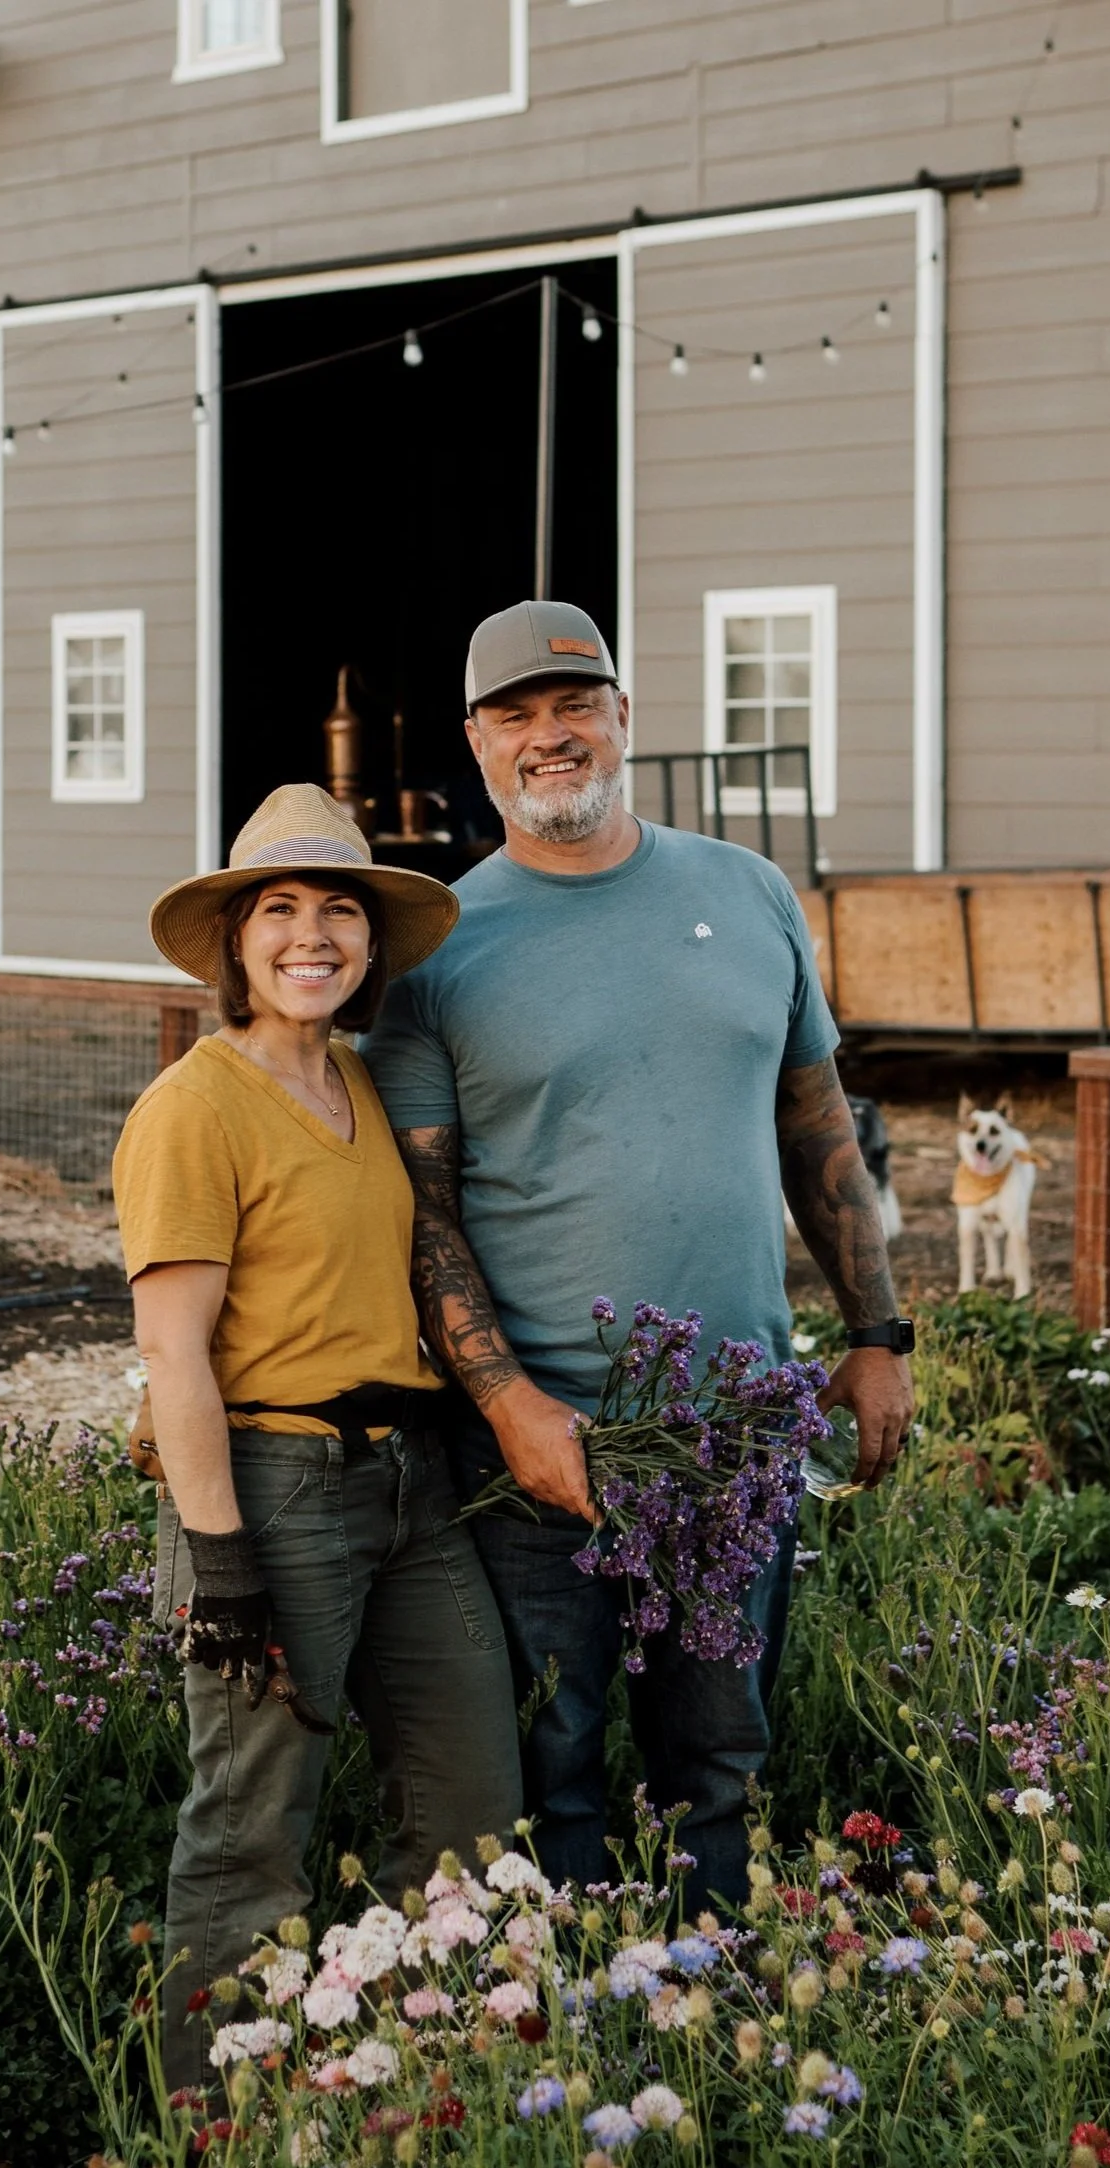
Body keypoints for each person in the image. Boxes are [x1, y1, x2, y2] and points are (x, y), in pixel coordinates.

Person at [361, 600, 912, 1910]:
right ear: (476, 742)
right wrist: (511, 1405)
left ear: (623, 716)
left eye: (574, 704)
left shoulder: (748, 891)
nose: (549, 735)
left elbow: (817, 1123)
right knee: (548, 1762)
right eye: (515, 715)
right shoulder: (434, 951)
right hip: (543, 1445)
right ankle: (569, 2005)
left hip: (737, 1423)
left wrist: (877, 1334)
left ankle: (706, 1988)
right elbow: (423, 1213)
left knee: (715, 1758)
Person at [114, 782, 521, 2092]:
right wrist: (221, 1560)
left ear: (370, 942)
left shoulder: (354, 1080)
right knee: (250, 1833)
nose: (311, 935)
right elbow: (174, 1354)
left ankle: (427, 2087)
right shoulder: (194, 1108)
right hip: (274, 1488)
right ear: (235, 942)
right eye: (278, 909)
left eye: (338, 909)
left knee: (469, 1803)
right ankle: (212, 2133)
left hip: (408, 1483)